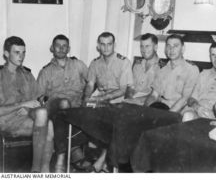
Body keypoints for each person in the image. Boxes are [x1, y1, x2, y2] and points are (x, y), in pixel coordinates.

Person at [37, 34, 89, 172]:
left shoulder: (78, 65)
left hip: (76, 108)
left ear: (69, 48)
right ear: (52, 48)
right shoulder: (46, 71)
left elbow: (91, 82)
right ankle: (72, 154)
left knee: (67, 115)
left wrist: (86, 99)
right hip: (55, 106)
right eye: (57, 46)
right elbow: (40, 96)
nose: (61, 48)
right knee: (64, 104)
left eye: (64, 46)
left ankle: (66, 154)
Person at [0, 36, 52, 172]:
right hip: (7, 120)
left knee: (44, 115)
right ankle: (39, 170)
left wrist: (41, 101)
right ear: (6, 54)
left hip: (27, 116)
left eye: (23, 53)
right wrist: (22, 104)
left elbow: (39, 99)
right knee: (49, 126)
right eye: (17, 52)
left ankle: (40, 170)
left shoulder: (27, 74)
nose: (21, 56)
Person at [83, 32, 133, 172]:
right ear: (98, 46)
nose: (106, 48)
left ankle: (101, 162)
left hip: (118, 100)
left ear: (114, 45)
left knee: (111, 124)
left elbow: (123, 90)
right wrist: (86, 97)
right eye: (102, 44)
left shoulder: (123, 62)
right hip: (100, 99)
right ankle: (97, 159)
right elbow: (90, 84)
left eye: (109, 44)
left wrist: (100, 99)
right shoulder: (95, 63)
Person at [144, 34, 199, 113]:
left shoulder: (191, 70)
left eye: (175, 46)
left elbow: (185, 99)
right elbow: (154, 95)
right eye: (168, 46)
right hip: (161, 107)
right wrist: (144, 110)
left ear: (182, 49)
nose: (171, 49)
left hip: (179, 110)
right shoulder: (162, 69)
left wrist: (168, 115)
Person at [125, 33, 165, 104]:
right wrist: (128, 100)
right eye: (142, 46)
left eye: (147, 46)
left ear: (155, 47)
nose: (144, 50)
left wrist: (134, 101)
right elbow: (130, 87)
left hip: (148, 103)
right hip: (132, 100)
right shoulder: (137, 65)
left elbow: (156, 96)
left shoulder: (162, 68)